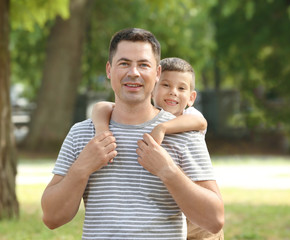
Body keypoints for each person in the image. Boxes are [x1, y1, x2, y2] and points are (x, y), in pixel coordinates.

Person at [41, 28, 224, 240]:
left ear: (157, 73)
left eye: (143, 65)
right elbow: (52, 217)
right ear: (109, 70)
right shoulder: (81, 134)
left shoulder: (183, 132)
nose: (134, 72)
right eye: (124, 63)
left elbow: (215, 220)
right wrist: (83, 166)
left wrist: (168, 171)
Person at [91, 57, 224, 240]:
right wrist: (102, 131)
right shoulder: (141, 115)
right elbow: (101, 106)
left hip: (196, 220)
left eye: (181, 88)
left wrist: (162, 128)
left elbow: (201, 121)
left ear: (191, 98)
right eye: (166, 85)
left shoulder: (189, 115)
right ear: (152, 88)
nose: (173, 93)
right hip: (165, 213)